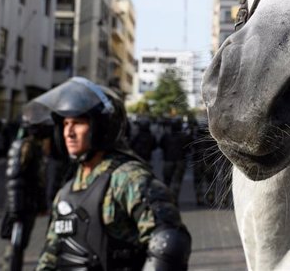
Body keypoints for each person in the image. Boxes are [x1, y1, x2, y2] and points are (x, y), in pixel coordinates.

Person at [35, 77, 191, 270]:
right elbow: (50, 254)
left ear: (101, 127)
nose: (69, 132)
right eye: (66, 124)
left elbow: (169, 241)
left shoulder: (127, 178)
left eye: (78, 123)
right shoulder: (68, 190)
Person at [0, 101, 53, 271]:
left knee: (20, 246)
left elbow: (38, 181)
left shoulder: (36, 148)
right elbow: (14, 180)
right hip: (20, 207)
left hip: (28, 206)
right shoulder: (22, 146)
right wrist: (16, 210)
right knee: (14, 248)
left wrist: (41, 204)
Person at [158, 117, 190, 205]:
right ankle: (173, 198)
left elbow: (161, 145)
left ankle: (167, 198)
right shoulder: (184, 137)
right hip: (180, 161)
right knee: (176, 182)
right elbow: (188, 149)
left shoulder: (166, 136)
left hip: (168, 161)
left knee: (167, 181)